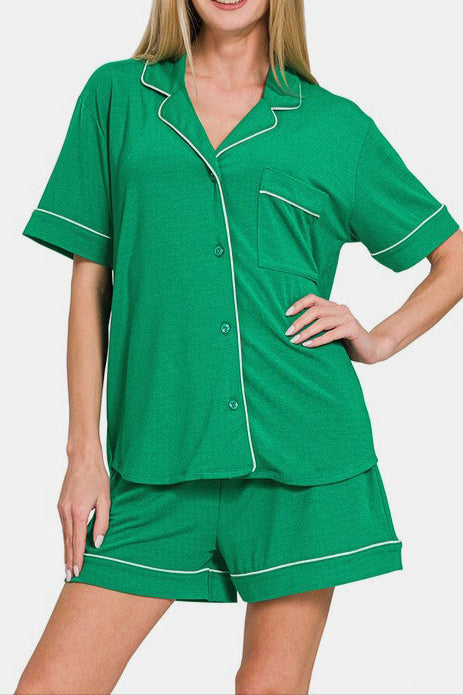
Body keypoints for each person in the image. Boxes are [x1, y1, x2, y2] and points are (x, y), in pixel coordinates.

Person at [16, 0, 462, 693]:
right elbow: (89, 282)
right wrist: (82, 454)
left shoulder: (334, 125)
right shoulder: (118, 96)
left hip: (302, 459)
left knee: (270, 687)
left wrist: (379, 339)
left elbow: (452, 257)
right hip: (155, 459)